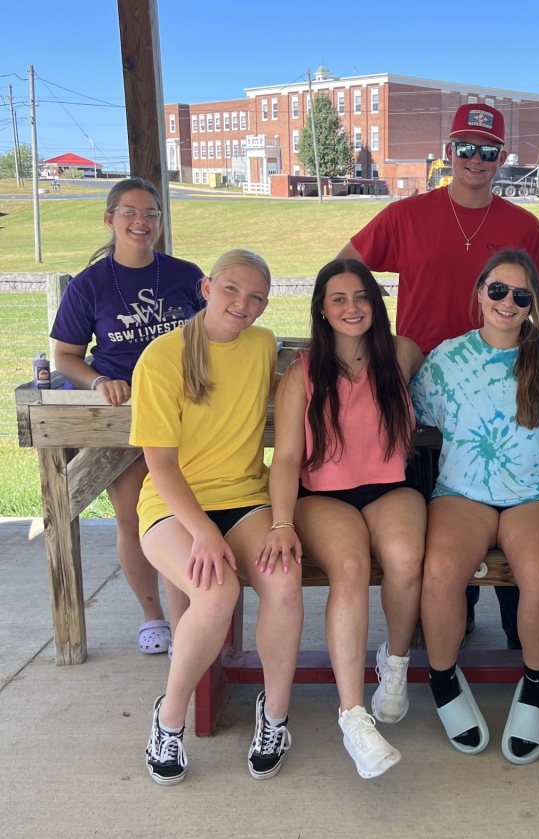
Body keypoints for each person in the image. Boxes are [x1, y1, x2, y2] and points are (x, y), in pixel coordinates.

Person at [339, 103, 539, 648]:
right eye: (466, 147)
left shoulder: (523, 225)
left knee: (513, 506)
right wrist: (371, 337)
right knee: (445, 511)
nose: (476, 160)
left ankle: (520, 627)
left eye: (488, 151)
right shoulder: (406, 215)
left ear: (502, 157)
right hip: (427, 396)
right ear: (448, 151)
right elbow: (345, 271)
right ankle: (449, 619)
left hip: (507, 397)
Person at [410, 250, 539, 765]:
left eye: (521, 295)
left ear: (533, 304)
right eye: (497, 290)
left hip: (535, 493)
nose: (507, 302)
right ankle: (443, 676)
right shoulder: (448, 359)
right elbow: (412, 412)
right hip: (462, 491)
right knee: (442, 570)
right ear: (479, 293)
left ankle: (536, 683)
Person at [132, 250, 302, 786]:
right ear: (206, 288)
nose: (242, 304)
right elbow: (159, 463)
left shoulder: (262, 344)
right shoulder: (162, 358)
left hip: (244, 496)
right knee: (216, 591)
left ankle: (274, 717)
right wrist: (202, 532)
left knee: (284, 579)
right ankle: (169, 719)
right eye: (231, 290)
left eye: (255, 297)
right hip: (172, 505)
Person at [262, 258, 425, 779]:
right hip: (323, 496)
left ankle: (394, 665)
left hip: (390, 488)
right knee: (350, 568)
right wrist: (282, 522)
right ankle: (354, 718)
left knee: (404, 558)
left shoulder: (400, 355)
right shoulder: (301, 373)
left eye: (361, 297)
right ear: (322, 310)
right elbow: (286, 458)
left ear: (376, 305)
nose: (352, 308)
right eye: (339, 299)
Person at [50, 177, 203, 657]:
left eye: (152, 213)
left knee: (184, 516)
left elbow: (215, 336)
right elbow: (66, 356)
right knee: (133, 518)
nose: (142, 222)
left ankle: (190, 617)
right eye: (131, 212)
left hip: (186, 414)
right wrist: (98, 381)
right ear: (110, 219)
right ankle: (152, 615)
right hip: (126, 414)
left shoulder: (185, 274)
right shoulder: (88, 285)